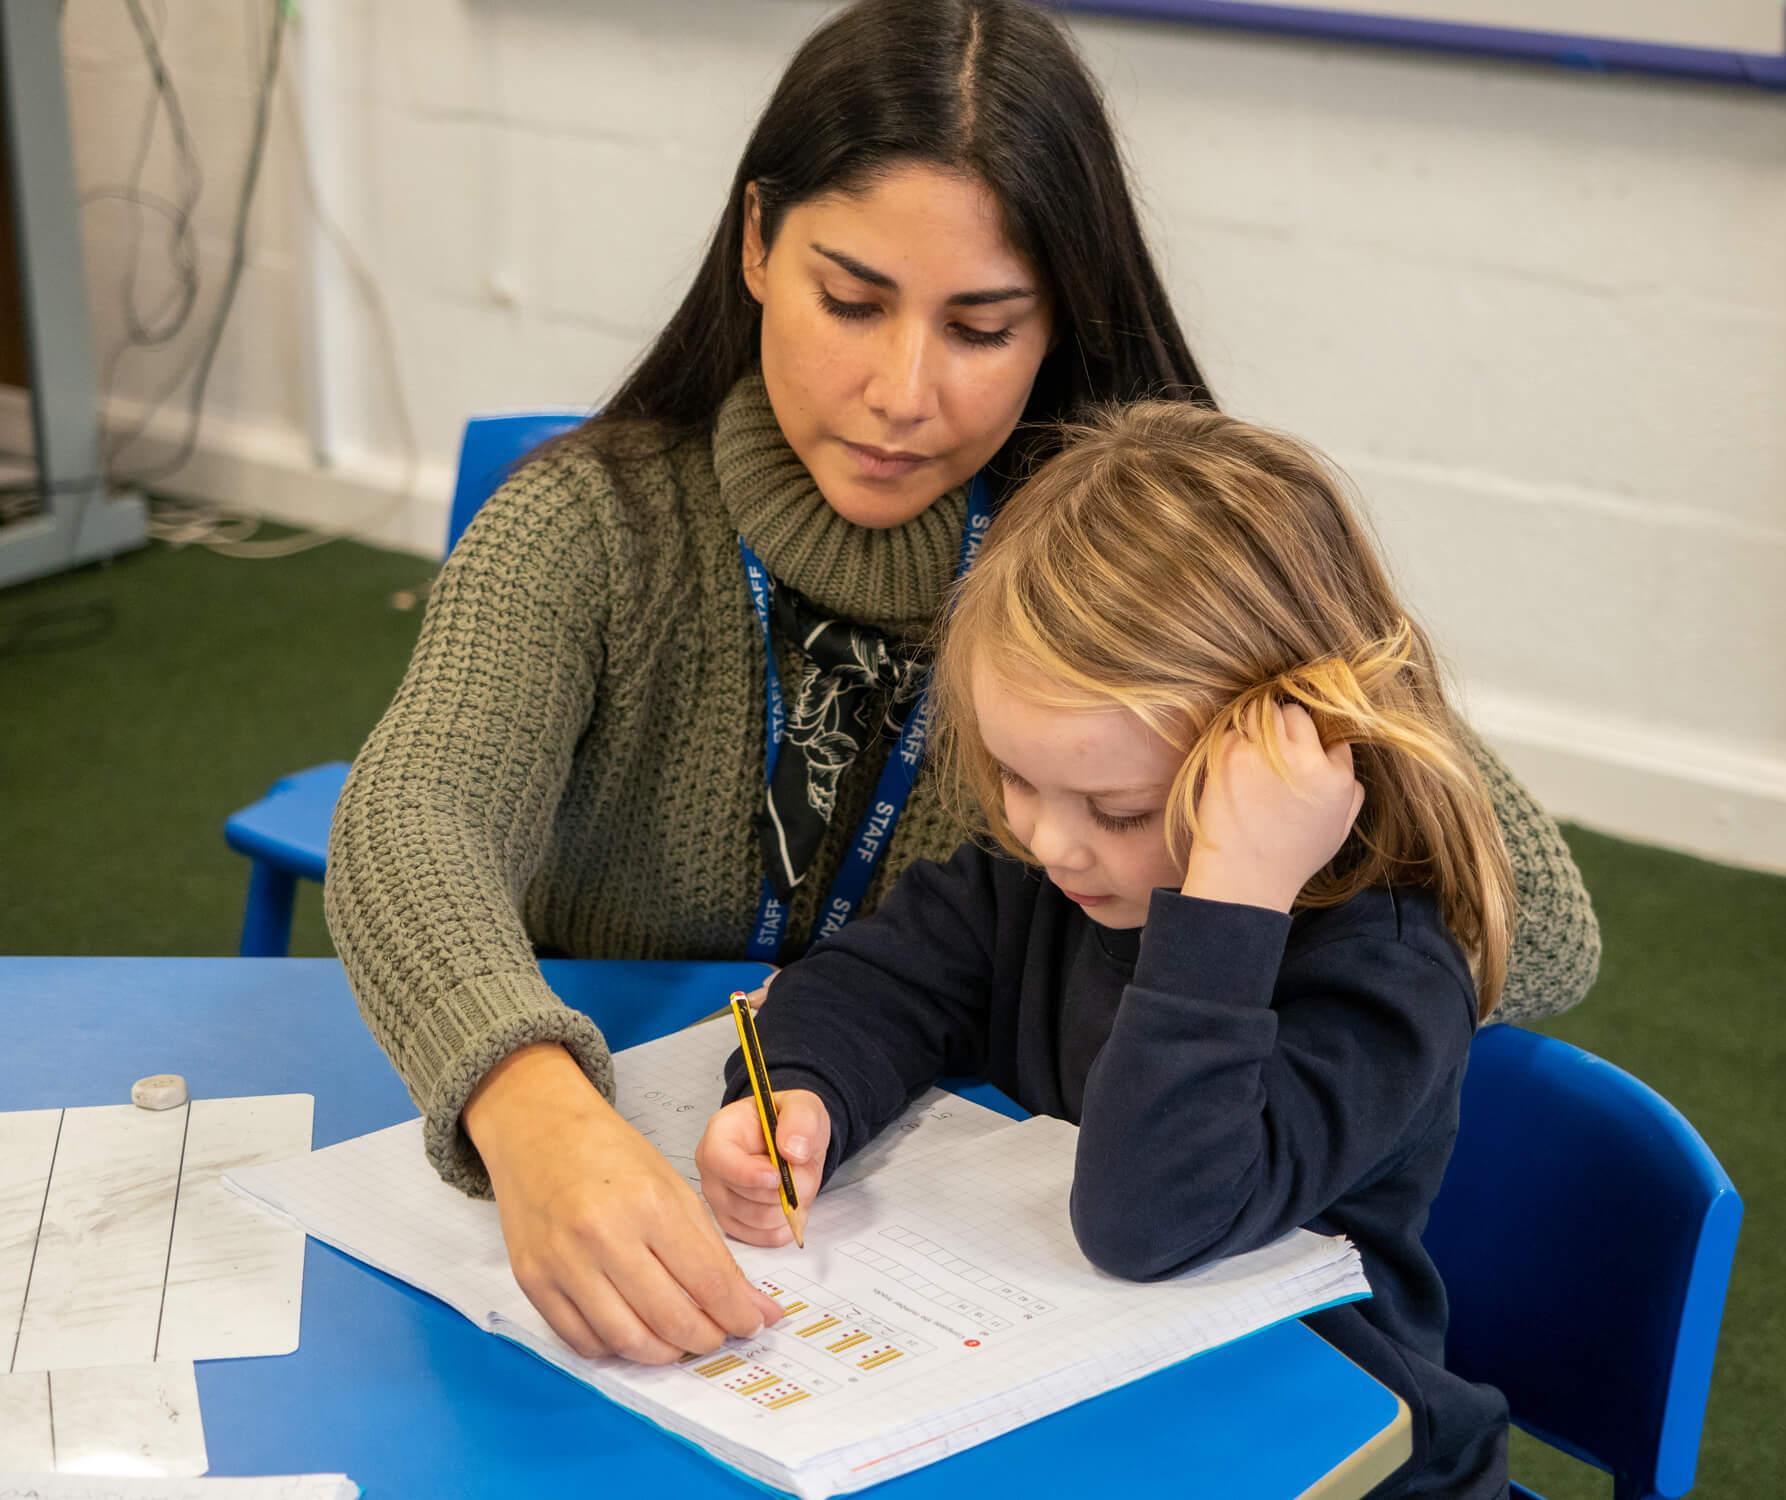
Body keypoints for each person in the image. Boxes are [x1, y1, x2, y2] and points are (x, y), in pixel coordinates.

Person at [326, 0, 1600, 1374]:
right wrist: (533, 1114)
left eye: (982, 327)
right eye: (851, 301)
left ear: (1063, 324)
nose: (901, 391)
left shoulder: (1100, 588)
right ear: (757, 245)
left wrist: (1264, 752)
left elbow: (1540, 932)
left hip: (1013, 1293)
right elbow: (410, 818)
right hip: (762, 1210)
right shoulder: (591, 525)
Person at [696, 403, 1513, 1496]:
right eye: (1019, 778)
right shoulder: (1050, 876)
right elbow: (873, 982)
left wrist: (1228, 901)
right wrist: (798, 1095)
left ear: (1279, 765)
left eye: (1116, 808)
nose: (1045, 839)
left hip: (1329, 1456)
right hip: (1082, 1403)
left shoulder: (1385, 972)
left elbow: (1150, 1218)